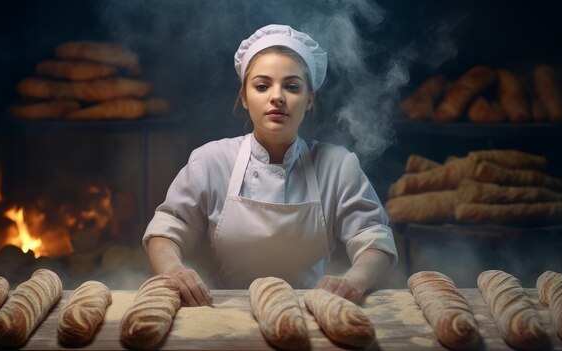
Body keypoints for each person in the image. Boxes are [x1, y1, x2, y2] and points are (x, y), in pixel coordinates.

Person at [143, 24, 398, 306]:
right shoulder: (210, 161)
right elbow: (167, 230)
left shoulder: (338, 165)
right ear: (244, 97)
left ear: (310, 99)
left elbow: (375, 241)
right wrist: (173, 270)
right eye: (262, 86)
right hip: (226, 312)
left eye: (291, 86)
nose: (277, 97)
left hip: (311, 313)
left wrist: (354, 281)